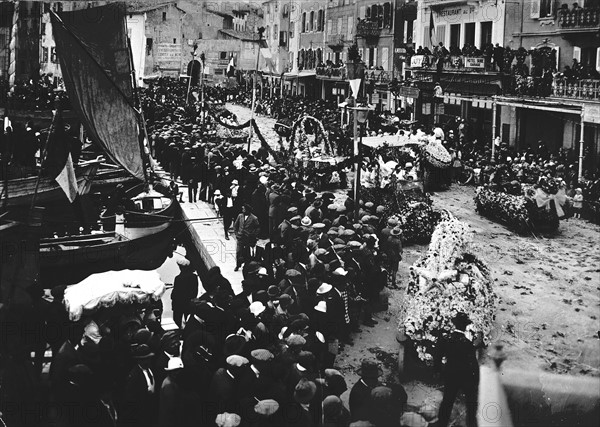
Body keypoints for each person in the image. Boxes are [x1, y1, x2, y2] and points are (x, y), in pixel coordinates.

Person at [434, 312, 480, 427]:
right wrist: (476, 381)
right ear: (465, 327)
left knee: (447, 402)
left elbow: (438, 356)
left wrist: (437, 371)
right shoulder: (468, 344)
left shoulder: (445, 339)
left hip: (451, 375)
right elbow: (473, 364)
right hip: (466, 377)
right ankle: (471, 424)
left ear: (454, 325)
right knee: (471, 404)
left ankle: (441, 423)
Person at [170, 258, 198, 328]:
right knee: (189, 319)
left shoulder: (178, 278)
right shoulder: (194, 277)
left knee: (176, 319)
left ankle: (179, 331)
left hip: (178, 303)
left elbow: (175, 292)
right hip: (189, 302)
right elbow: (195, 292)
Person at [233, 204, 260, 271]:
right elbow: (235, 225)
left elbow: (258, 228)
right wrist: (236, 234)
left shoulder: (254, 218)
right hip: (240, 237)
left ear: (247, 210)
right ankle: (237, 265)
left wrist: (253, 235)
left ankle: (247, 265)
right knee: (238, 252)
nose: (242, 210)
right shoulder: (240, 216)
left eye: (244, 209)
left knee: (247, 252)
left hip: (248, 238)